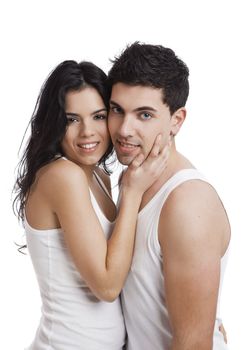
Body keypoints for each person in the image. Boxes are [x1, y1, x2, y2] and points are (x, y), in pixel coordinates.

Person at [13, 60, 169, 349]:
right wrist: (132, 193)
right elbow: (108, 286)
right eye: (71, 119)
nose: (87, 132)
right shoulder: (63, 176)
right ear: (54, 123)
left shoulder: (96, 175)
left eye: (98, 116)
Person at [107, 42, 230, 350]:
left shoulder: (187, 203)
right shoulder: (133, 178)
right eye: (117, 110)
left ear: (176, 120)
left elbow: (194, 345)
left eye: (144, 115)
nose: (124, 129)